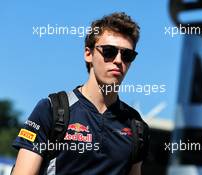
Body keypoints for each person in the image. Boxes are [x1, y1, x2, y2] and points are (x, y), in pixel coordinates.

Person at [12, 12, 149, 175]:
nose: (118, 60)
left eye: (127, 55)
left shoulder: (136, 127)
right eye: (109, 51)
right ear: (88, 54)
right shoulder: (52, 109)